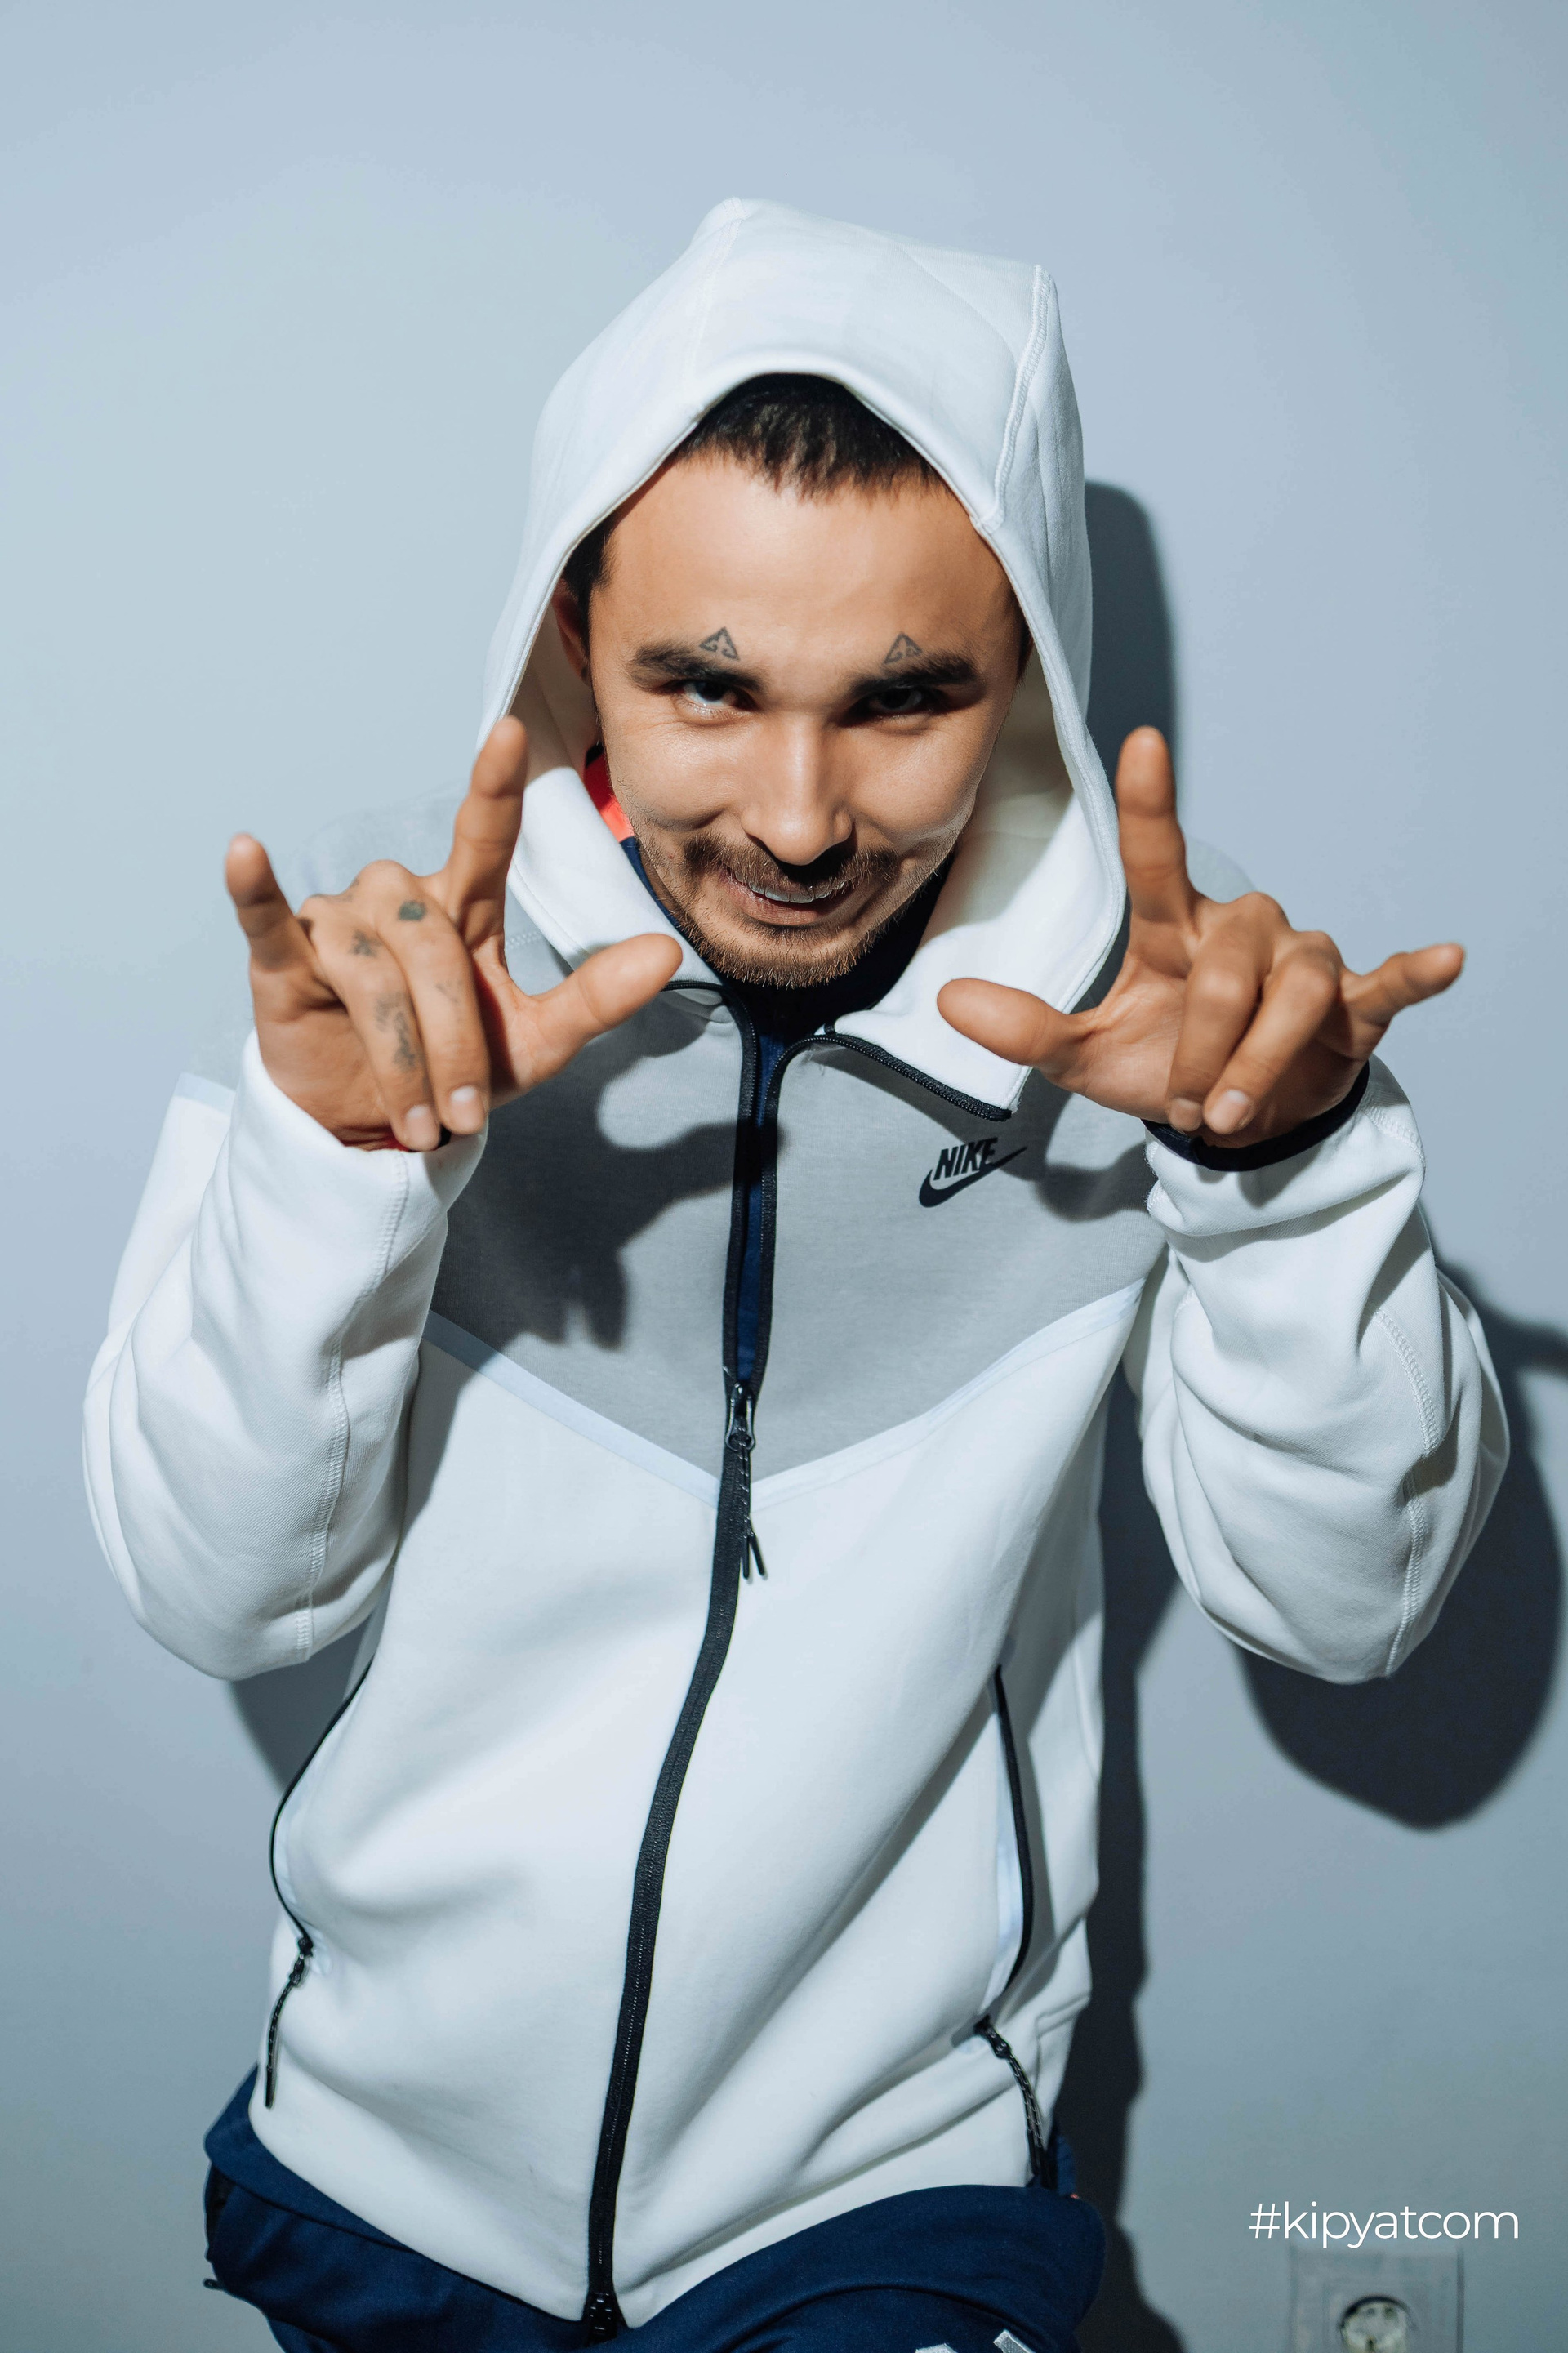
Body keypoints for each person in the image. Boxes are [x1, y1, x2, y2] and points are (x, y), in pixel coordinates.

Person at [84, 198, 1507, 2351]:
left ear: (1025, 666)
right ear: (576, 630)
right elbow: (218, 1594)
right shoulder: (387, 999)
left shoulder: (1165, 1034)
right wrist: (337, 1169)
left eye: (905, 698)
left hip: (885, 2201)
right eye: (707, 686)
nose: (803, 815)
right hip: (374, 2176)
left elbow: (1348, 1609)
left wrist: (1282, 1173)